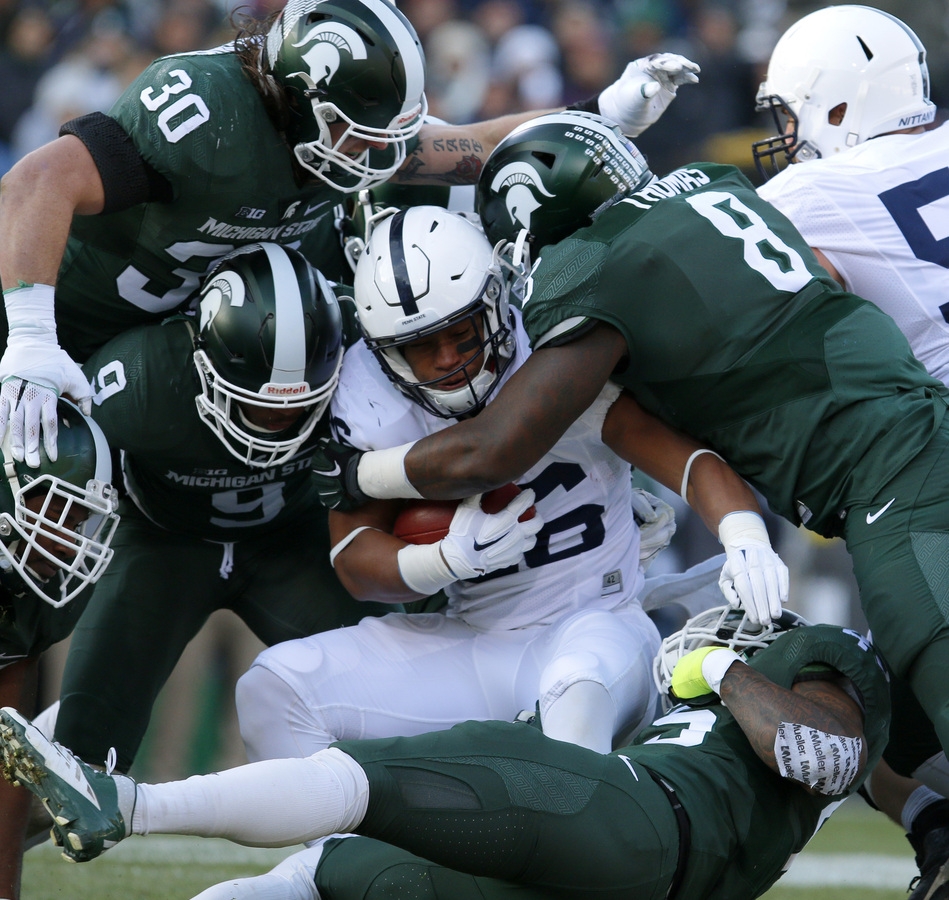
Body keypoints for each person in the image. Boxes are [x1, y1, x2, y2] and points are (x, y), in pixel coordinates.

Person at [309, 109, 949, 820]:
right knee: (905, 730)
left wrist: (355, 475)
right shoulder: (713, 185)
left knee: (934, 674)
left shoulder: (594, 263)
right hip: (914, 432)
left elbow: (493, 450)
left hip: (892, 475)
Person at [215, 205, 782, 898]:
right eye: (424, 348)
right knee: (277, 688)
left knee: (571, 716)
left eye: (461, 333)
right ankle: (349, 871)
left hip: (591, 622)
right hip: (473, 633)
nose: (450, 359)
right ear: (385, 352)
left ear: (494, 302)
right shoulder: (367, 396)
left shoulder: (547, 346)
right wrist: (437, 562)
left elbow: (687, 459)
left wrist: (743, 533)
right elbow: (353, 557)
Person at [0, 0, 701, 468]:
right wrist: (30, 334)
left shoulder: (335, 132)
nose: (372, 155)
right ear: (301, 93)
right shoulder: (203, 114)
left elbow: (466, 144)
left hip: (170, 341)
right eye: (357, 134)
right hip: (55, 326)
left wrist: (601, 113)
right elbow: (35, 181)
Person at [0, 605, 891, 900]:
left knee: (368, 777)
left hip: (642, 821)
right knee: (321, 880)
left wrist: (720, 665)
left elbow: (821, 756)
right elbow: (893, 782)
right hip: (617, 858)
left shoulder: (824, 659)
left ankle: (128, 806)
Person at [46, 242, 399, 787]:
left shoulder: (363, 350)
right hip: (164, 543)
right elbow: (56, 461)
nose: (278, 419)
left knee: (401, 710)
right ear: (203, 357)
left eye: (300, 403)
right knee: (78, 761)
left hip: (294, 541)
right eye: (259, 401)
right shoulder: (141, 380)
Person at [751, 8, 949, 895]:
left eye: (787, 117)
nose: (782, 141)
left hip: (927, 480)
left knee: (854, 709)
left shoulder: (808, 195)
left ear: (834, 109)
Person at [0, 398, 119, 900]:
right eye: (57, 509)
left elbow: (5, 750)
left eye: (80, 517)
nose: (70, 541)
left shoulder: (29, 591)